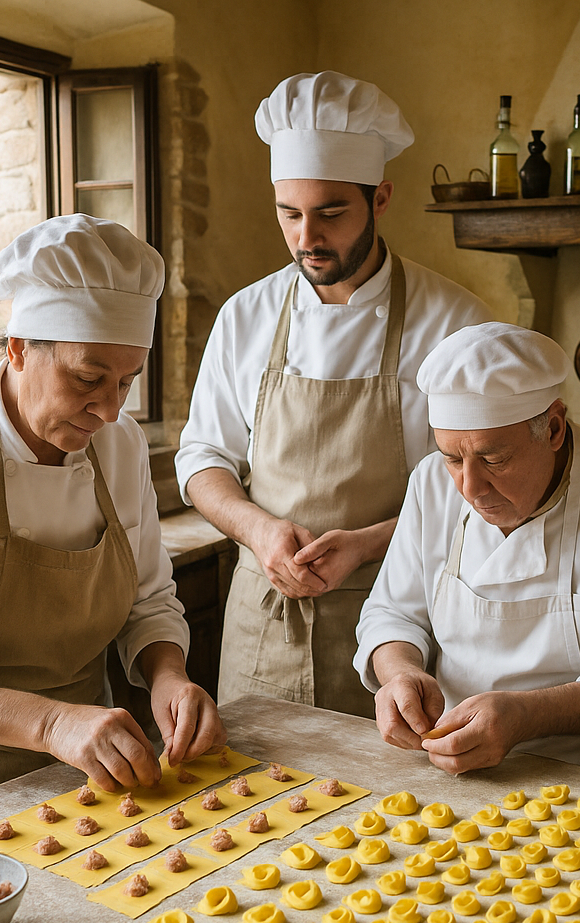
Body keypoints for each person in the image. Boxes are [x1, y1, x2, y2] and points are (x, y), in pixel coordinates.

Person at [175, 71, 490, 718]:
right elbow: (201, 458)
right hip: (264, 615)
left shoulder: (455, 323)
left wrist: (368, 542)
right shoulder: (245, 316)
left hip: (400, 616)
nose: (306, 238)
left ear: (380, 200)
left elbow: (481, 489)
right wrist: (259, 531)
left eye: (330, 212)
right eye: (288, 214)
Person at [0, 214, 227, 821]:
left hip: (84, 784)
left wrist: (170, 678)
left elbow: (149, 601)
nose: (107, 409)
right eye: (87, 379)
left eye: (126, 382)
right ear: (18, 349)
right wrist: (50, 722)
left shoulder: (118, 445)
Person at [354, 322, 580, 773]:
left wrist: (526, 717)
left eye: (494, 459)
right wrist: (400, 674)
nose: (470, 487)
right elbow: (392, 612)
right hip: (444, 760)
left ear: (553, 429)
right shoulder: (429, 483)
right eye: (452, 458)